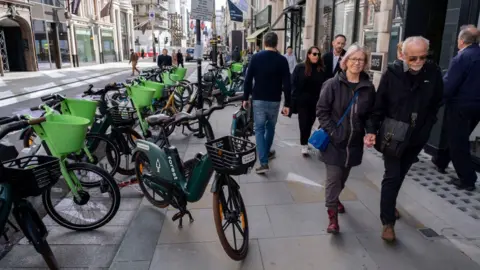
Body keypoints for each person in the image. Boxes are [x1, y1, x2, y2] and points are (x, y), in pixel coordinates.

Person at [365, 36, 443, 242]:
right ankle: (387, 222)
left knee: (401, 174)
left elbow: (437, 101)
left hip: (418, 136)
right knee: (391, 176)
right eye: (413, 58)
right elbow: (378, 105)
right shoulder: (392, 74)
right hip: (395, 134)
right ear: (403, 55)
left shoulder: (433, 72)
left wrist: (428, 124)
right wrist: (372, 129)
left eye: (422, 57)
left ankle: (390, 205)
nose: (418, 62)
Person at [317, 44, 375, 234]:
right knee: (334, 179)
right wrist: (334, 132)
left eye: (361, 60)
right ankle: (332, 217)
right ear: (345, 61)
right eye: (353, 59)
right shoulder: (332, 84)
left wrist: (370, 132)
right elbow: (322, 111)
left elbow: (370, 115)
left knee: (343, 178)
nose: (357, 63)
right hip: (334, 142)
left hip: (353, 143)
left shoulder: (368, 87)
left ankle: (335, 199)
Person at [243, 32, 291, 174]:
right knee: (270, 127)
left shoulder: (256, 57)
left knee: (259, 129)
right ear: (277, 43)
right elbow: (287, 84)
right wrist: (287, 103)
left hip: (259, 99)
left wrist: (245, 97)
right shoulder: (282, 60)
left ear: (264, 43)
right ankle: (267, 152)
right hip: (275, 100)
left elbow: (248, 79)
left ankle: (263, 161)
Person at [439, 26, 480, 191]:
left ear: (461, 41)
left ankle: (467, 179)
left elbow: (449, 85)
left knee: (458, 141)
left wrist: (437, 100)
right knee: (459, 137)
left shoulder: (462, 58)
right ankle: (441, 160)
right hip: (477, 107)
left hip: (460, 106)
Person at [291, 46, 326, 155]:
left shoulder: (322, 69)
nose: (316, 56)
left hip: (316, 101)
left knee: (310, 122)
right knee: (303, 122)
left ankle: (306, 139)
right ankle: (304, 144)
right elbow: (294, 83)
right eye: (314, 54)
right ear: (309, 55)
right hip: (302, 101)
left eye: (318, 54)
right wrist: (293, 100)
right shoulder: (300, 67)